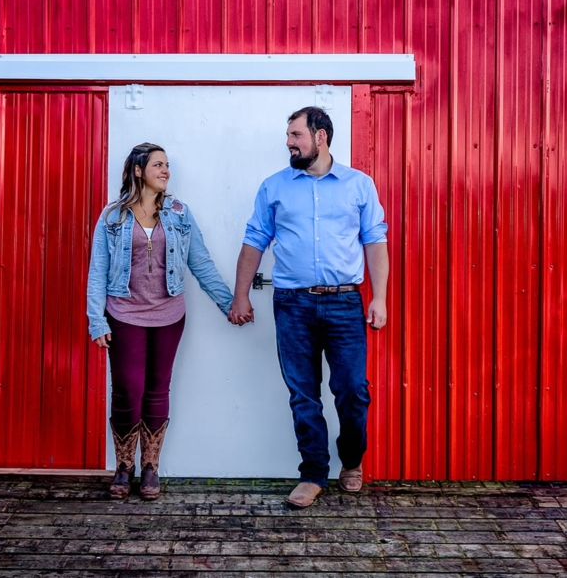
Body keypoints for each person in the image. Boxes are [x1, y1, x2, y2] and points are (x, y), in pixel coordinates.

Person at [228, 106, 389, 508]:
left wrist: (380, 296)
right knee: (304, 395)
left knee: (353, 391)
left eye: (296, 135)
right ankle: (313, 473)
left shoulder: (358, 185)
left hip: (344, 303)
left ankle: (351, 461)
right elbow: (254, 240)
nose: (289, 142)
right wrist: (241, 294)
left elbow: (375, 242)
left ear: (320, 136)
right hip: (293, 305)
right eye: (289, 135)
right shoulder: (275, 186)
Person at [87, 142, 234, 500]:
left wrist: (229, 303)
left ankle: (151, 467)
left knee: (156, 389)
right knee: (127, 389)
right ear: (138, 171)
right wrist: (97, 321)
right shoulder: (113, 216)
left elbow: (200, 262)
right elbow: (98, 272)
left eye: (167, 165)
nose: (166, 170)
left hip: (169, 314)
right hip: (124, 314)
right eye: (158, 165)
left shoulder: (180, 214)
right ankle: (125, 466)